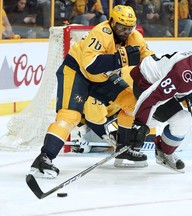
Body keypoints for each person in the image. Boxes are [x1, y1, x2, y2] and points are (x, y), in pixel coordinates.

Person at [28, 5, 154, 178]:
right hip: (77, 72)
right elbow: (90, 66)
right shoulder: (100, 32)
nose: (126, 32)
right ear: (112, 22)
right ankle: (44, 158)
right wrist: (120, 58)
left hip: (102, 78)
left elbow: (150, 61)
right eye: (121, 27)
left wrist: (168, 77)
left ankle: (123, 149)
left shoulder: (135, 37)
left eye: (129, 28)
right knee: (70, 116)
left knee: (133, 103)